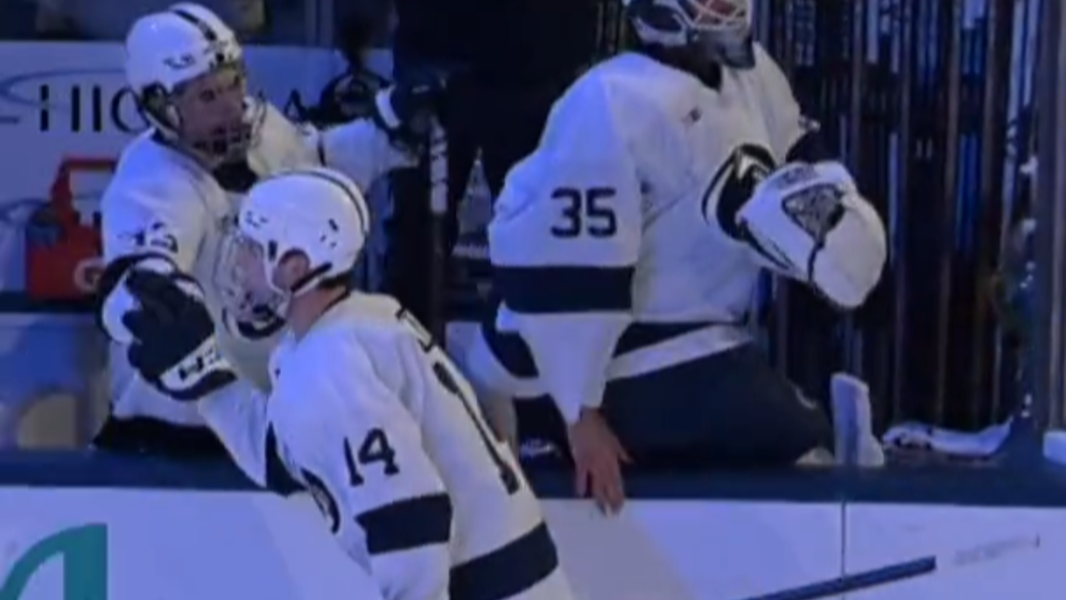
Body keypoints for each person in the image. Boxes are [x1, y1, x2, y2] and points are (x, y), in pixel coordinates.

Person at [457, 0, 888, 513]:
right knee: (800, 437)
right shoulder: (609, 101)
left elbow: (804, 164)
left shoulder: (755, 78)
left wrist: (843, 226)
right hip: (605, 358)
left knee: (801, 429)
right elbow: (562, 266)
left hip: (694, 336)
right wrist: (579, 415)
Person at [100, 167, 573, 600]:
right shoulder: (360, 321)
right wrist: (208, 382)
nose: (238, 263)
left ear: (294, 265)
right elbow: (282, 457)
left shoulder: (330, 362)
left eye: (251, 247)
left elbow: (411, 517)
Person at [94, 2, 441, 456]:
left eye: (233, 84)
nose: (231, 107)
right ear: (161, 106)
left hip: (264, 421)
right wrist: (156, 304)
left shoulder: (262, 130)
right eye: (207, 97)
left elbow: (317, 164)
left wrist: (391, 130)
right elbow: (135, 281)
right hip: (173, 437)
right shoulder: (152, 182)